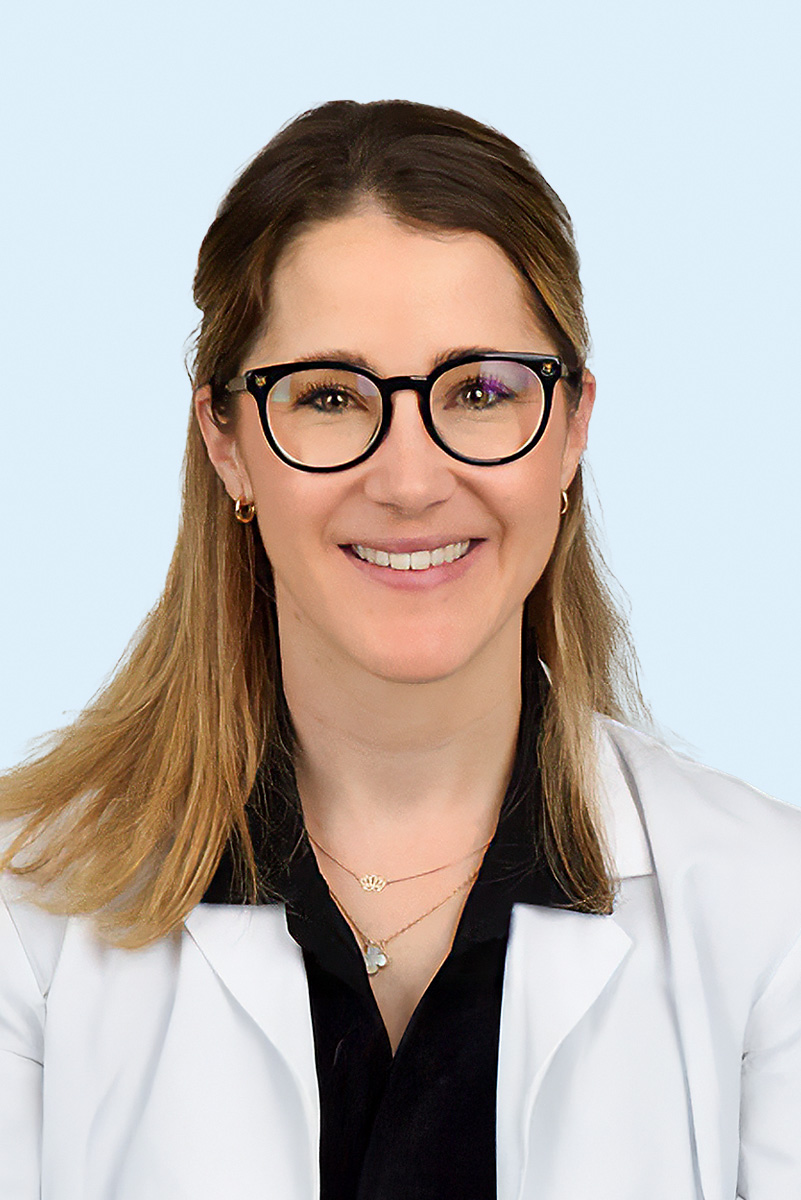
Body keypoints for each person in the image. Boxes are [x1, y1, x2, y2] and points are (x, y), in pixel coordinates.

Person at [1, 99, 799, 1200]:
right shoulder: (27, 917)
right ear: (226, 443)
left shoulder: (772, 916)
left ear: (572, 428)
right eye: (331, 397)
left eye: (480, 392)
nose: (412, 480)